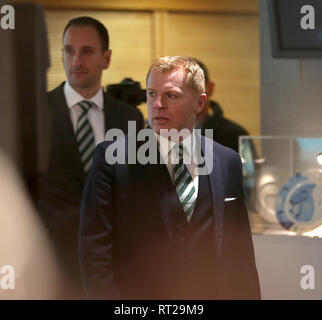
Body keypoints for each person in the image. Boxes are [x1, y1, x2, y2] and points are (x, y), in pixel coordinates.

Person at [79, 56, 260, 299]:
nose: (157, 104)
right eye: (152, 94)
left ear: (200, 102)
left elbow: (241, 254)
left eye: (171, 95)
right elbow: (95, 252)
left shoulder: (226, 161)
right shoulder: (112, 158)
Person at [40, 16, 145, 299]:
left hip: (114, 271)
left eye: (87, 51)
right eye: (69, 50)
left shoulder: (129, 118)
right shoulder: (37, 114)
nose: (76, 60)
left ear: (106, 58)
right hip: (53, 269)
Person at [195, 59, 250, 153]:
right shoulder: (164, 133)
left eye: (194, 87)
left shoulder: (235, 135)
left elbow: (248, 167)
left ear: (210, 88)